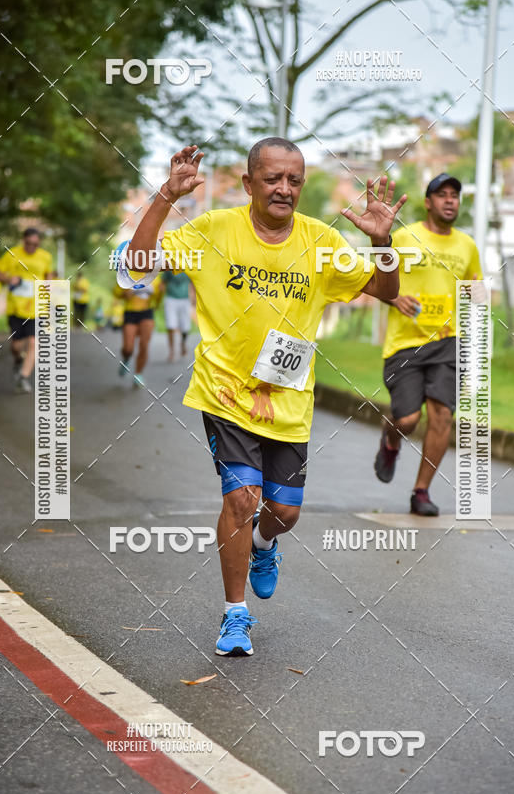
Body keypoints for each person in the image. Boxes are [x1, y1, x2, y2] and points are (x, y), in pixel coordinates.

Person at [125, 139, 406, 656]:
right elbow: (138, 265)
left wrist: (383, 240)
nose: (284, 189)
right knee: (240, 498)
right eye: (273, 179)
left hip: (289, 400)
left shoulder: (320, 241)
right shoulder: (214, 231)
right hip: (226, 392)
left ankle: (264, 544)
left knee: (284, 512)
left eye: (294, 180)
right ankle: (236, 615)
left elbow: (386, 290)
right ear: (250, 184)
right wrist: (166, 194)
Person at [373, 173, 483, 516]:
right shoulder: (404, 238)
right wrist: (394, 300)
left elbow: (473, 291)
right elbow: (372, 279)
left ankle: (421, 491)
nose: (450, 200)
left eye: (455, 195)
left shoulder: (467, 246)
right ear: (428, 201)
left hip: (448, 342)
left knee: (442, 416)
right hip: (405, 344)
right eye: (442, 194)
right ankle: (391, 442)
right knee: (407, 419)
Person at [0, 228, 56, 393]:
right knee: (16, 346)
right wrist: (9, 279)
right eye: (29, 244)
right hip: (15, 308)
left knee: (34, 343)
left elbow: (49, 277)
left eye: (35, 244)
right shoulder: (12, 254)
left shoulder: (46, 257)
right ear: (24, 241)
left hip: (37, 309)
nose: (32, 247)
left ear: (39, 243)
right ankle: (17, 360)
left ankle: (23, 378)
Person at [113, 277, 163, 387]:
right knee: (128, 348)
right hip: (130, 312)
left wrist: (161, 292)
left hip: (147, 313)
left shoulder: (155, 276)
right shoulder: (126, 274)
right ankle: (126, 359)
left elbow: (158, 297)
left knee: (144, 344)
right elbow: (116, 293)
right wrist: (123, 293)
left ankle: (138, 374)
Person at [162, 267, 192, 362]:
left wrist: (194, 297)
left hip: (185, 299)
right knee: (171, 326)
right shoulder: (169, 267)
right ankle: (172, 351)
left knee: (185, 327)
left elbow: (193, 283)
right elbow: (163, 282)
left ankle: (183, 343)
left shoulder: (188, 266)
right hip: (171, 298)